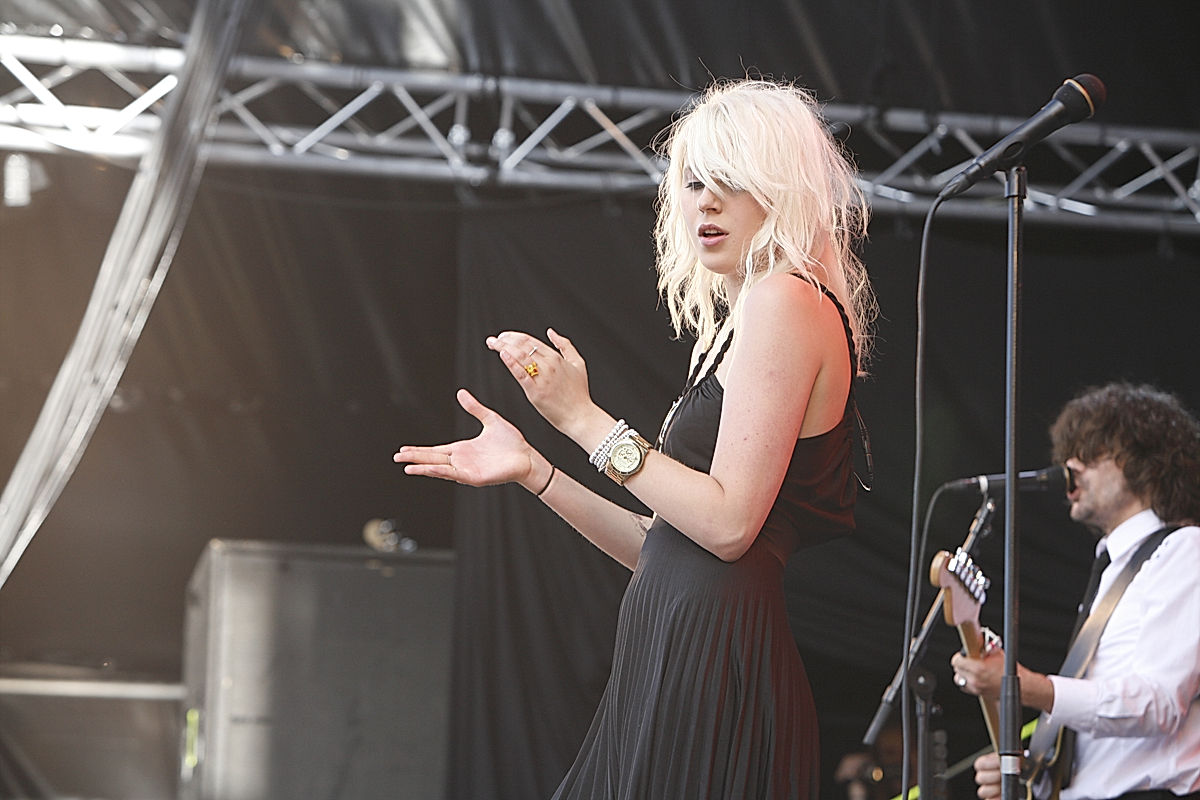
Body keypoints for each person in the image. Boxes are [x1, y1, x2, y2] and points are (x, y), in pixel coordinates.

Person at [394, 78, 877, 799]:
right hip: (676, 646)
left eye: (729, 180)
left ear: (780, 188)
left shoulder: (786, 300)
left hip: (713, 660)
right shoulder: (738, 323)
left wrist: (584, 421)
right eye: (691, 182)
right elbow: (666, 543)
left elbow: (728, 525)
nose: (704, 201)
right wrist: (537, 471)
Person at [951, 382, 1200, 800]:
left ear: (1146, 461)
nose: (1071, 464)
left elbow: (1157, 704)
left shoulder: (1184, 550)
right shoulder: (1112, 569)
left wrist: (1024, 686)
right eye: (1070, 452)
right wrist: (1031, 773)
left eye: (1092, 451)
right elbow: (1107, 750)